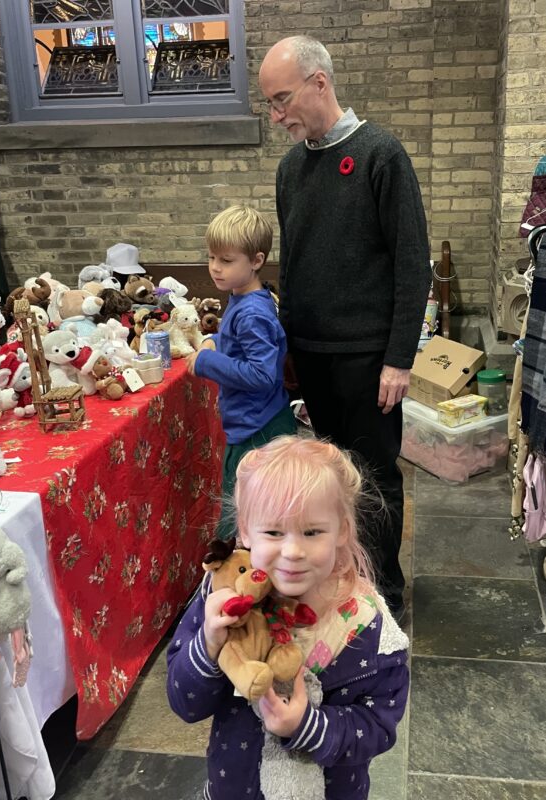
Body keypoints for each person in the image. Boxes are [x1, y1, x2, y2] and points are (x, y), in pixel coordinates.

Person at [258, 36, 432, 619]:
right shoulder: (291, 167)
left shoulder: (381, 155)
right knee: (326, 486)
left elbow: (413, 264)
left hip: (367, 359)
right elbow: (297, 262)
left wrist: (399, 359)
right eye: (270, 105)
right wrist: (285, 346)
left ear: (320, 83)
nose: (277, 115)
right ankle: (342, 584)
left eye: (283, 100)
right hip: (310, 354)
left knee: (374, 479)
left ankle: (386, 597)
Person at [167, 435, 409, 800]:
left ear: (342, 529)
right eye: (274, 532)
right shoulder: (221, 596)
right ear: (246, 530)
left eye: (312, 532)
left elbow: (379, 726)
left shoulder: (367, 626)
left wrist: (306, 726)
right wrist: (209, 644)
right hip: (235, 788)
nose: (293, 551)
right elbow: (185, 703)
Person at [185, 205, 296, 540]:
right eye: (212, 258)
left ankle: (237, 575)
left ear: (256, 261)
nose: (216, 268)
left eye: (227, 260)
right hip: (253, 421)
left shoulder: (252, 313)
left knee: (244, 511)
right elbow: (237, 343)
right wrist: (212, 340)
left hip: (257, 428)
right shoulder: (242, 297)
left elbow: (262, 374)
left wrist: (207, 362)